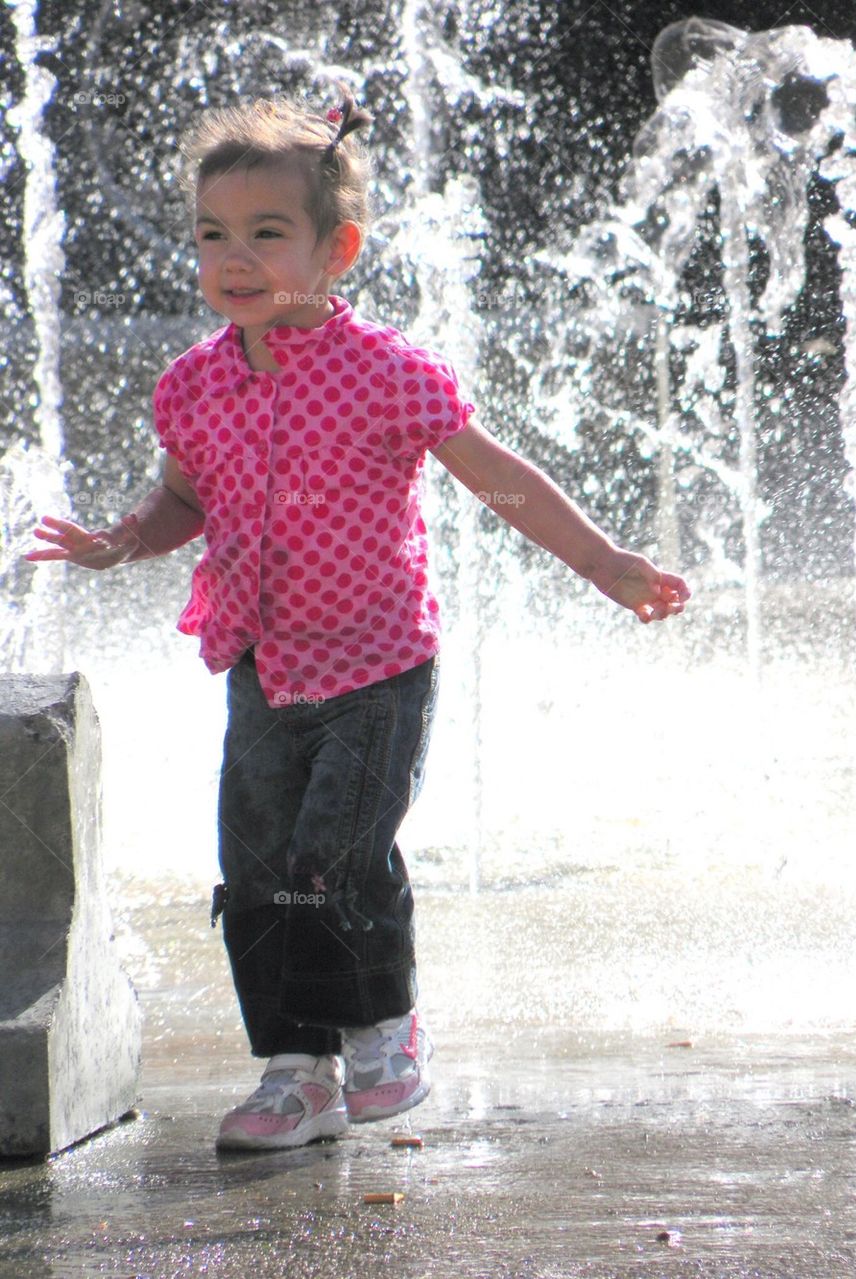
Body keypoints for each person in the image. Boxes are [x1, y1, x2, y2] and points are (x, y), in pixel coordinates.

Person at [26, 92, 690, 1152]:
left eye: (266, 234)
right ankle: (298, 1071)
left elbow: (495, 478)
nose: (233, 258)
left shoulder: (386, 372)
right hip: (261, 665)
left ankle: (385, 1025)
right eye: (213, 235)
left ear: (338, 249)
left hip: (379, 664)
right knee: (256, 868)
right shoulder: (193, 385)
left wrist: (603, 560)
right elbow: (183, 501)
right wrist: (122, 539)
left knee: (337, 848)